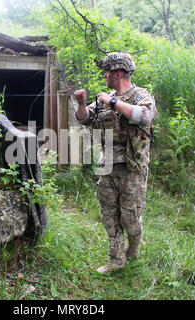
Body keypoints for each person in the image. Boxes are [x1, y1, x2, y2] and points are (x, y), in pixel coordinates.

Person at [74, 52, 157, 274]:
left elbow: (144, 116)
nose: (104, 75)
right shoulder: (104, 98)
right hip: (107, 167)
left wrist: (113, 102)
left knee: (129, 217)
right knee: (109, 215)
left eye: (107, 71)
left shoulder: (140, 95)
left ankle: (135, 245)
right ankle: (115, 259)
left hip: (132, 168)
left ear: (118, 72)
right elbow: (86, 118)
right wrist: (81, 104)